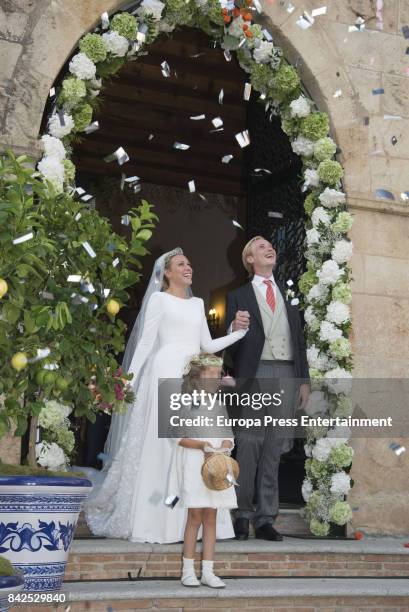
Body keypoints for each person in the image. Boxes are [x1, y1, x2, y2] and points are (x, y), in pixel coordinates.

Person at [83, 248, 247, 543]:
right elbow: (145, 343)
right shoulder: (158, 299)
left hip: (192, 378)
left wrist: (236, 333)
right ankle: (157, 519)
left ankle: (192, 517)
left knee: (193, 443)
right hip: (164, 372)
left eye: (189, 263)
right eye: (181, 264)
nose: (188, 267)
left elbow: (207, 346)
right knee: (165, 444)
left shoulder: (198, 304)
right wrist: (128, 381)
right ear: (167, 273)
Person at [224, 236, 310, 541]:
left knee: (275, 447)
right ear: (249, 259)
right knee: (248, 443)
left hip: (287, 373)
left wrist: (303, 381)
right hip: (255, 374)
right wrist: (234, 327)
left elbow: (299, 340)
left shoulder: (289, 293)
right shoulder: (237, 295)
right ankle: (242, 513)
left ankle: (264, 519)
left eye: (269, 245)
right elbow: (228, 343)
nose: (268, 247)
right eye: (260, 246)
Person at [171, 353, 237, 589]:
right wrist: (202, 445)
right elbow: (178, 438)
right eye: (210, 374)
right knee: (194, 517)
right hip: (194, 464)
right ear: (198, 376)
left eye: (217, 375)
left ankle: (208, 571)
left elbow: (229, 435)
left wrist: (224, 447)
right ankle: (187, 571)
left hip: (216, 467)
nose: (214, 378)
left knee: (211, 516)